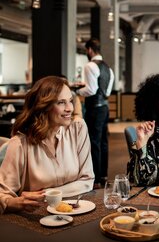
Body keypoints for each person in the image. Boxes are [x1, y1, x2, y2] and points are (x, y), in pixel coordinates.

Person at [0, 76, 94, 214]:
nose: (69, 108)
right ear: (44, 106)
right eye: (61, 103)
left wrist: (47, 194)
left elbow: (87, 180)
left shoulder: (78, 128)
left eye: (70, 101)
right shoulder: (20, 143)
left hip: (76, 211)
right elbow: (2, 194)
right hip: (36, 218)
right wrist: (14, 202)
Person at [76, 38, 114, 189]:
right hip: (105, 107)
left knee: (94, 142)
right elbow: (108, 91)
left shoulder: (90, 65)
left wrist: (77, 90)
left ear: (90, 50)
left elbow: (90, 90)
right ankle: (103, 175)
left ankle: (96, 178)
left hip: (95, 108)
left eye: (86, 50)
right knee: (103, 141)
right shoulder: (108, 68)